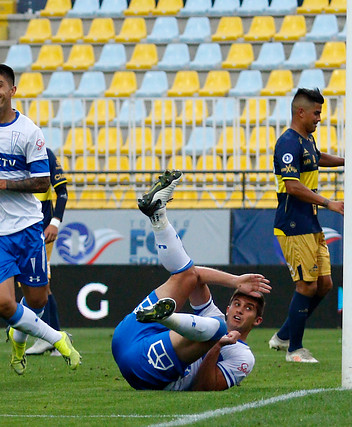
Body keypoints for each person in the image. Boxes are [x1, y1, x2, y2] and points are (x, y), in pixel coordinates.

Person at [0, 63, 81, 375]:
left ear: (12, 91)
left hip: (27, 227)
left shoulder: (29, 132)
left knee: (36, 300)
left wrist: (0, 182)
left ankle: (18, 342)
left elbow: (42, 183)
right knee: (3, 304)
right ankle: (57, 338)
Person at [111, 170, 271, 391]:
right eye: (237, 303)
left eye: (249, 308)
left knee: (217, 329)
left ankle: (167, 317)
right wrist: (235, 281)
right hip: (128, 336)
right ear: (228, 306)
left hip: (147, 368)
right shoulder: (212, 315)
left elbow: (204, 387)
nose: (240, 310)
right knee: (186, 275)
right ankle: (158, 215)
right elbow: (194, 275)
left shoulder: (244, 357)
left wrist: (216, 345)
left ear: (257, 321)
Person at [269, 88, 344, 363]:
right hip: (292, 223)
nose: (319, 118)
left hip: (309, 221)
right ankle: (294, 350)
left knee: (324, 284)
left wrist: (346, 162)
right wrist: (329, 203)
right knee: (306, 286)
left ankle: (284, 334)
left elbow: (318, 157)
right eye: (316, 113)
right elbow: (292, 186)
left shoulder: (307, 140)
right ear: (300, 112)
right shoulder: (287, 143)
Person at [25, 147, 69, 356]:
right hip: (18, 230)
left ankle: (50, 337)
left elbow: (62, 192)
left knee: (41, 283)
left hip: (41, 231)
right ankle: (53, 337)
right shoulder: (11, 157)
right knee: (34, 286)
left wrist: (54, 223)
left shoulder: (46, 155)